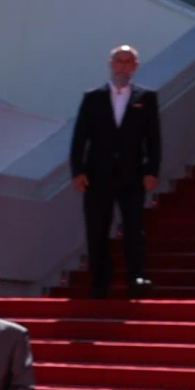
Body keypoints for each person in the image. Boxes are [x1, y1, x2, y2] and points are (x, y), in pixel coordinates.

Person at [70, 44, 160, 297]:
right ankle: (100, 280)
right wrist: (77, 171)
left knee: (134, 227)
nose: (123, 66)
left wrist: (152, 169)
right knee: (97, 227)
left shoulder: (146, 97)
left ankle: (136, 277)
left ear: (135, 66)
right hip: (98, 175)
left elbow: (153, 138)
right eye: (119, 61)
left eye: (128, 61)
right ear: (111, 64)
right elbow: (80, 137)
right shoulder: (93, 97)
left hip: (132, 175)